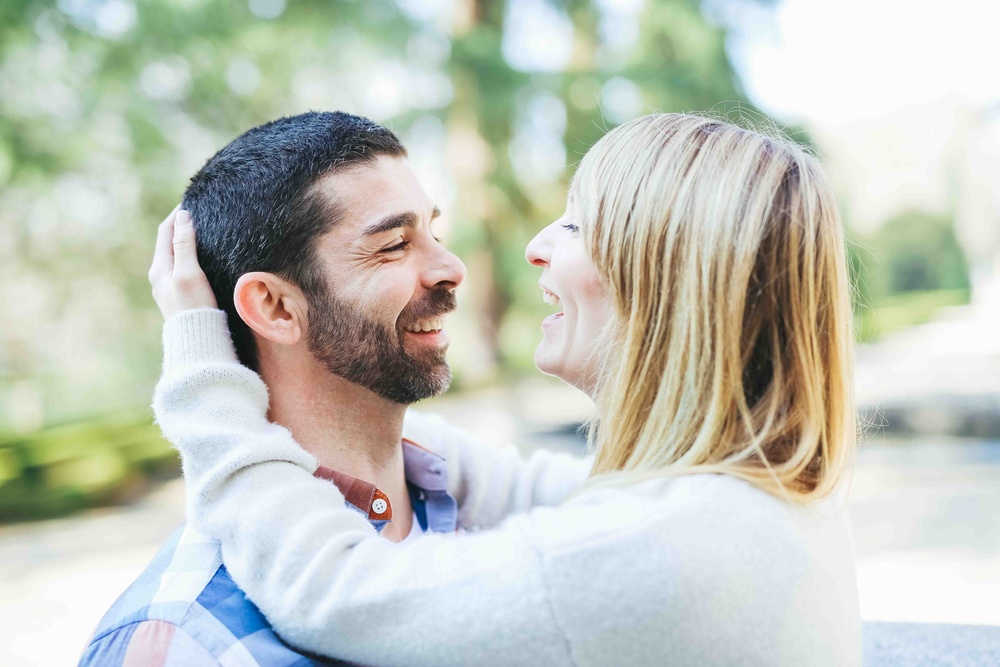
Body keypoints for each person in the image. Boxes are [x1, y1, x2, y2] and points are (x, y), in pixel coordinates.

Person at [148, 112, 861, 666]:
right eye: (395, 244)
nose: (536, 243)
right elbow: (517, 483)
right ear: (273, 307)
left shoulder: (648, 549)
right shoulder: (759, 497)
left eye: (580, 223)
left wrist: (205, 381)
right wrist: (373, 434)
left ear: (668, 280)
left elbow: (336, 589)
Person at [79, 111, 589, 666]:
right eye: (395, 244)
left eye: (433, 232)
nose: (452, 267)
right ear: (274, 307)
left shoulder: (484, 504)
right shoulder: (183, 644)